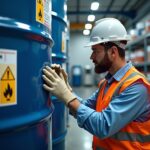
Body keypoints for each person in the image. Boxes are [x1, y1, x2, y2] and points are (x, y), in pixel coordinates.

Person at [42, 18, 150, 150]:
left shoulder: (137, 87)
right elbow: (85, 107)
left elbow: (103, 126)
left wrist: (67, 96)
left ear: (113, 52)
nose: (91, 57)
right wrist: (66, 90)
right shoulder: (107, 83)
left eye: (95, 51)